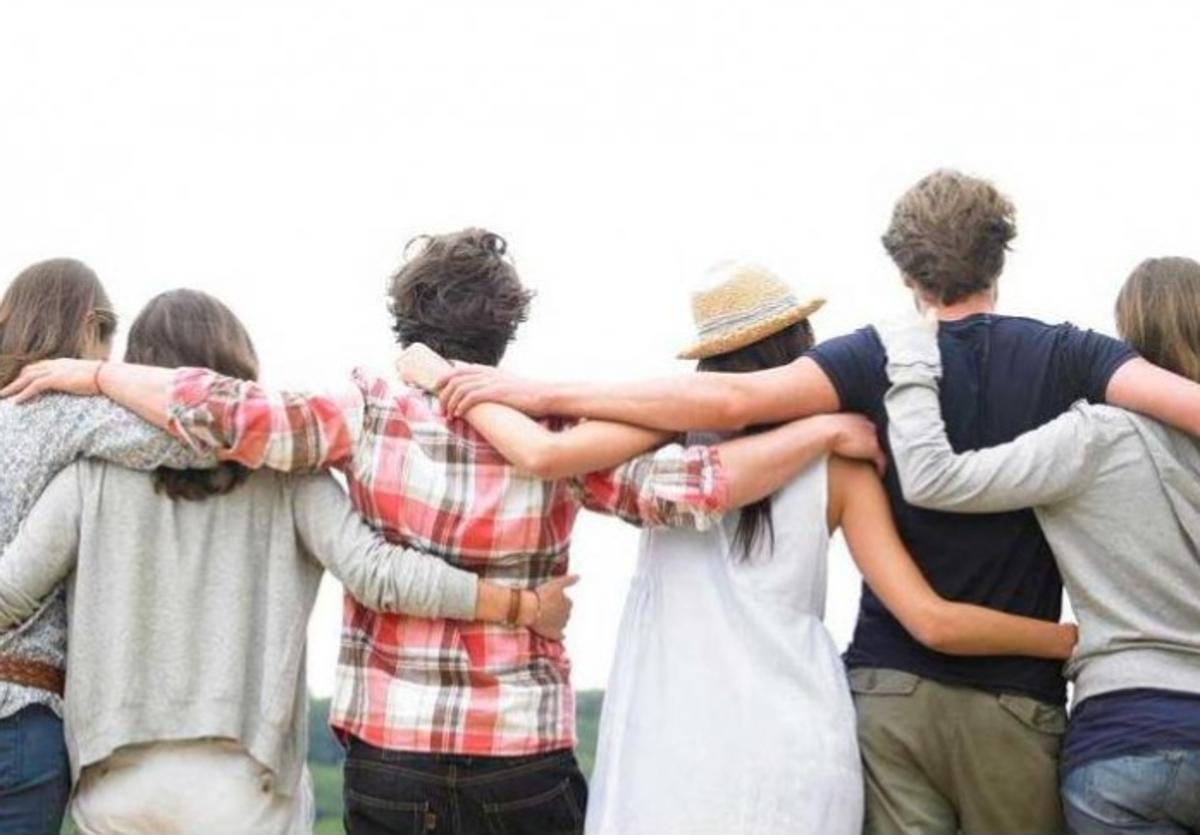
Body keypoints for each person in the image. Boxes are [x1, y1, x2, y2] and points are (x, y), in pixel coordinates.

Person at [4, 230, 869, 834]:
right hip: (523, 751)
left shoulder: (363, 412)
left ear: (407, 326)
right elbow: (691, 488)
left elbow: (226, 411)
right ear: (507, 326)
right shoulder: (559, 432)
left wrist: (96, 376)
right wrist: (818, 428)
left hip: (393, 755)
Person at [428, 172, 1200, 834]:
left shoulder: (852, 366)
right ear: (1002, 254)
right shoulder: (1063, 357)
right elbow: (1184, 408)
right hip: (948, 716)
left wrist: (523, 388)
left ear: (907, 271)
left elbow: (715, 408)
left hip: (795, 718)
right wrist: (1080, 639)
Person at [0, 288, 574, 835]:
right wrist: (521, 605)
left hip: (116, 785)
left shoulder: (89, 479)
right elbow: (377, 573)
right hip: (246, 787)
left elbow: (10, 595)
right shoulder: (288, 477)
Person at [878, 256, 1200, 835]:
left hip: (1126, 741)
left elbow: (933, 478)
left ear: (1128, 337)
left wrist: (912, 355)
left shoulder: (1095, 439)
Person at [0, 258, 214, 835]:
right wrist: (102, 380)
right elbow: (205, 437)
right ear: (89, 327)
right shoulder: (65, 412)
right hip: (16, 715)